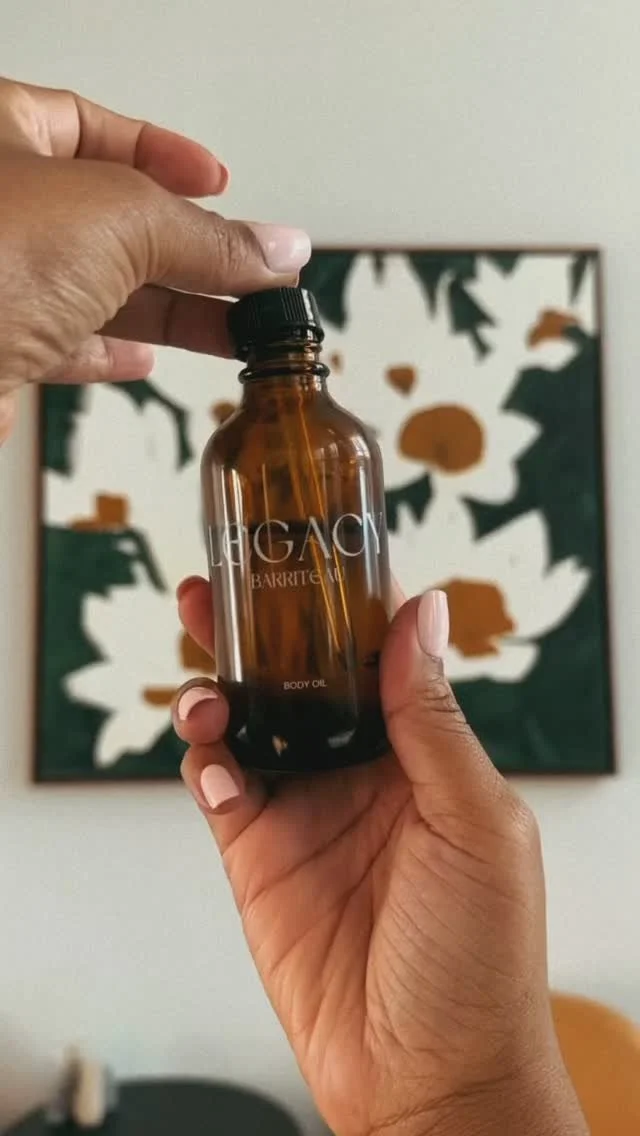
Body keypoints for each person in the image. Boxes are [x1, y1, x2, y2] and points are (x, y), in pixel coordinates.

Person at [0, 77, 588, 1136]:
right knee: (223, 637)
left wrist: (463, 1085)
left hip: (352, 748)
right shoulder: (241, 451)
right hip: (283, 752)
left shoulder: (341, 442)